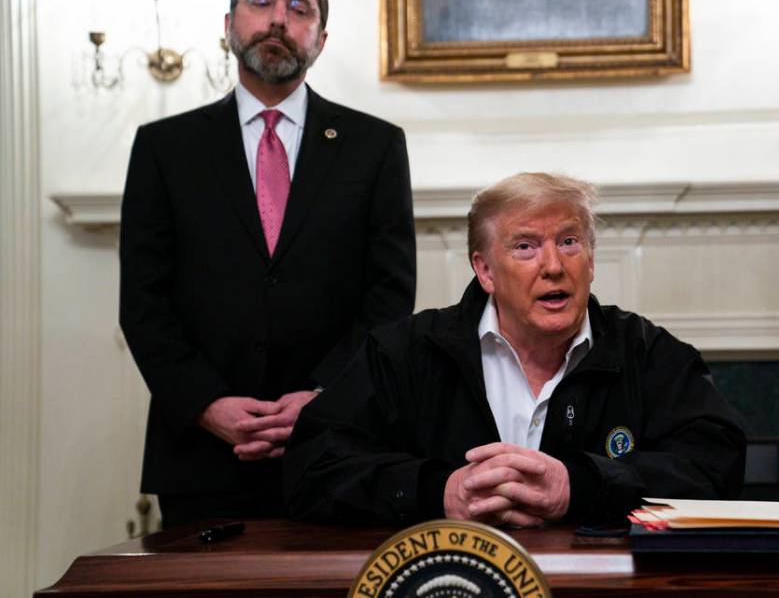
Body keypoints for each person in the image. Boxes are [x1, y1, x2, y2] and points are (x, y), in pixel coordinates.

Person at [119, 0, 415, 528]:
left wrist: (323, 396)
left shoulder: (374, 146)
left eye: (298, 8)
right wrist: (208, 404)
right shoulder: (165, 148)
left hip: (338, 448)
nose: (279, 19)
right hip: (201, 457)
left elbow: (389, 299)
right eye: (261, 3)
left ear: (321, 39)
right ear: (228, 24)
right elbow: (144, 304)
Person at [284, 173, 744, 527]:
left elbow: (717, 464)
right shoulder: (404, 351)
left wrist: (579, 486)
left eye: (569, 242)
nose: (553, 266)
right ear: (484, 271)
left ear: (591, 259)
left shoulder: (647, 351)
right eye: (525, 247)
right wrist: (438, 493)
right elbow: (314, 466)